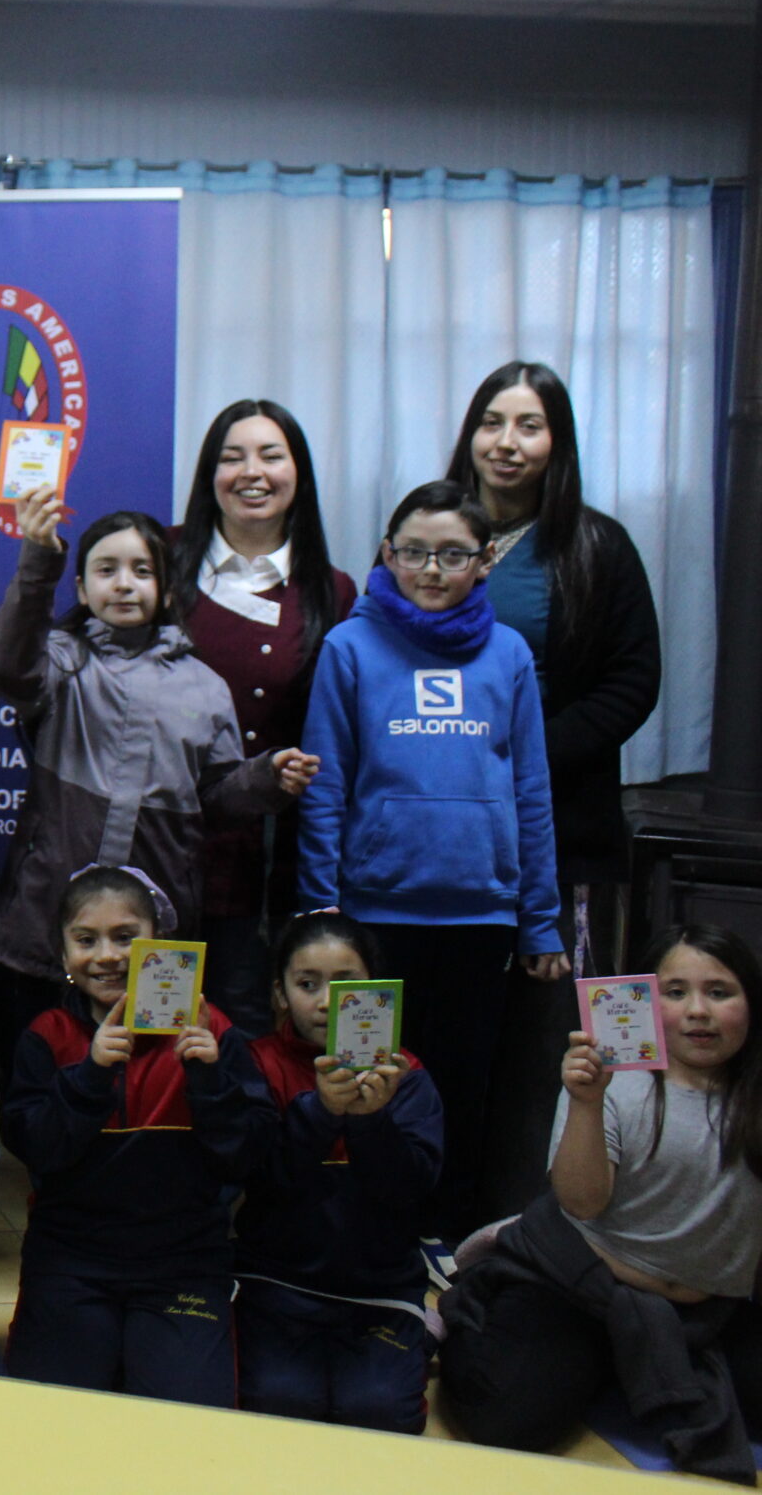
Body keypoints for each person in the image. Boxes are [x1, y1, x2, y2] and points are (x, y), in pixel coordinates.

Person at [298, 478, 556, 1244]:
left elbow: (532, 788)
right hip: (374, 914)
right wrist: (320, 907)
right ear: (387, 553)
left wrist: (539, 923)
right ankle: (369, 1227)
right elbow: (325, 784)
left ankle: (444, 1235)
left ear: (482, 562)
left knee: (462, 1086)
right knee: (368, 1074)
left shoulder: (509, 651)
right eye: (415, 551)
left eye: (452, 554)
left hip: (481, 915)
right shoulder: (349, 644)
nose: (432, 569)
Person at [0, 487, 313, 1059]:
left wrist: (265, 778)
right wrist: (39, 560)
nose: (124, 582)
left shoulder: (204, 687)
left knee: (152, 1069)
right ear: (82, 589)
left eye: (142, 570)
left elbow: (220, 795)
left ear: (165, 590)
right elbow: (9, 665)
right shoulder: (62, 659)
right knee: (44, 1064)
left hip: (159, 918)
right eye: (106, 570)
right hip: (48, 909)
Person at [444, 362, 661, 1220]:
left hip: (566, 837)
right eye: (492, 421)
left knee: (558, 1045)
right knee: (461, 1042)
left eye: (529, 425)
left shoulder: (596, 546)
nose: (506, 442)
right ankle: (446, 1221)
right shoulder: (432, 530)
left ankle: (545, 1229)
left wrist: (527, 757)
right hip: (447, 841)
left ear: (557, 442)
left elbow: (632, 683)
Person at [441, 927, 762, 1481]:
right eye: (676, 991)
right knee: (506, 1422)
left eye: (720, 992)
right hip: (578, 1283)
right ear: (642, 999)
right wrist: (587, 1103)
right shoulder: (611, 1079)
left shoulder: (752, 1095)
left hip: (707, 1307)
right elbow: (582, 1203)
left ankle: (631, 1360)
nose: (698, 1011)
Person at [1, 864, 275, 1406]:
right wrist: (91, 1075)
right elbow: (38, 1149)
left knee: (189, 1424)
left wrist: (209, 1080)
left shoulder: (212, 1029)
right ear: (63, 957)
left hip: (183, 1264)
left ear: (160, 947)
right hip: (71, 1260)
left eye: (126, 937)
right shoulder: (47, 1036)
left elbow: (250, 1158)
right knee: (49, 1415)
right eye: (86, 939)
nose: (106, 955)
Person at [172, 400, 357, 1032]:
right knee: (151, 1026)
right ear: (208, 475)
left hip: (264, 862)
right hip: (160, 838)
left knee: (243, 1027)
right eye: (233, 457)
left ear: (298, 472)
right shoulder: (163, 560)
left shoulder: (332, 591)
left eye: (271, 455)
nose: (253, 472)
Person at [235, 915, 443, 1434]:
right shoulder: (255, 1063)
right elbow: (259, 1180)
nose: (329, 1000)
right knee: (279, 1405)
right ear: (280, 994)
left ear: (379, 993)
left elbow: (411, 1191)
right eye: (308, 984)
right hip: (276, 1285)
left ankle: (430, 1328)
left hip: (379, 1293)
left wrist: (371, 1121)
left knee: (377, 1415)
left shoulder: (408, 1076)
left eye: (348, 985)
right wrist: (322, 1113)